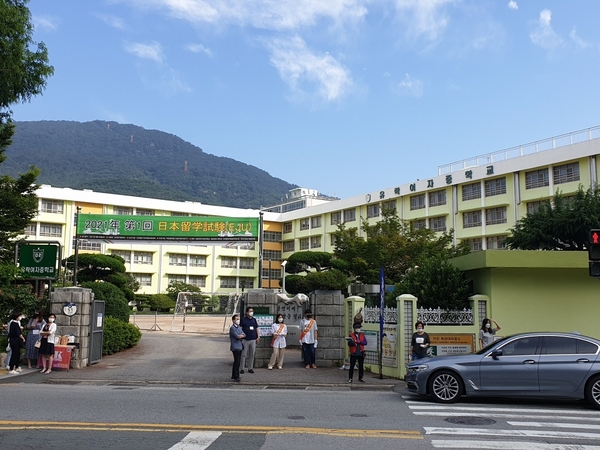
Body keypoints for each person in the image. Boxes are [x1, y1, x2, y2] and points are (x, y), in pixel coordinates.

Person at [240, 306, 260, 374]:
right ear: (247, 312)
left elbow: (256, 328)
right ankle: (242, 368)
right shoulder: (243, 320)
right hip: (245, 339)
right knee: (244, 354)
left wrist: (258, 336)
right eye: (250, 311)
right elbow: (240, 328)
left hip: (253, 339)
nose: (251, 312)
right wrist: (242, 337)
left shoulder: (254, 320)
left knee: (252, 354)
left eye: (252, 311)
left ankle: (250, 368)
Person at [229, 314, 245, 382]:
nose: (238, 320)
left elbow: (244, 334)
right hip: (235, 347)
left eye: (238, 319)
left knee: (237, 361)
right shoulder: (232, 328)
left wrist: (241, 335)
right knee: (237, 362)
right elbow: (237, 336)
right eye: (237, 319)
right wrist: (241, 336)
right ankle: (236, 376)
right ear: (233, 320)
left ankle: (234, 375)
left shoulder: (239, 327)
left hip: (240, 346)